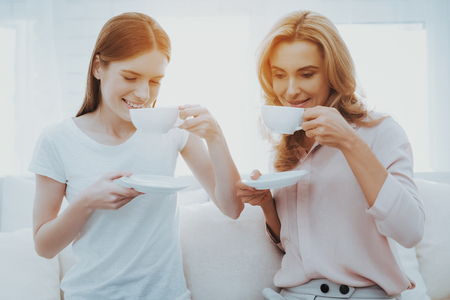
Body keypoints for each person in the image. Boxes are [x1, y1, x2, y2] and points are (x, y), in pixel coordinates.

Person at [29, 12, 243, 300]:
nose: (143, 93)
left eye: (155, 81)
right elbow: (44, 246)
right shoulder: (58, 140)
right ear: (97, 68)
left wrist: (216, 136)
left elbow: (232, 207)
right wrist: (88, 201)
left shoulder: (173, 130)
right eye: (130, 77)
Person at [236, 10, 425, 300]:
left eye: (307, 74)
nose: (290, 90)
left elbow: (410, 231)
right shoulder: (289, 146)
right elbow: (299, 248)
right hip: (292, 293)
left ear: (334, 73)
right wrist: (266, 205)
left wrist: (350, 142)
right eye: (279, 75)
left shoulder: (380, 132)